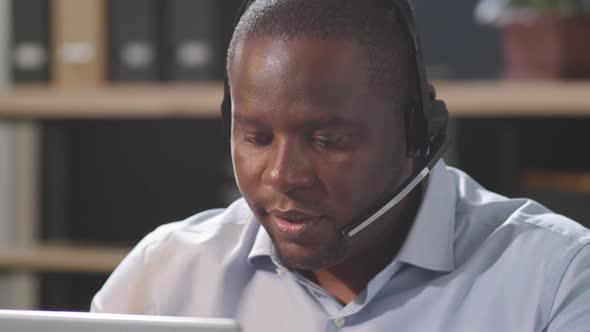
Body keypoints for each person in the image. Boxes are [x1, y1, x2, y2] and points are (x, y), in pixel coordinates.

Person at [91, 1, 590, 331]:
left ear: (417, 130)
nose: (283, 176)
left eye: (328, 140)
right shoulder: (163, 275)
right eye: (256, 138)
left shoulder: (556, 278)